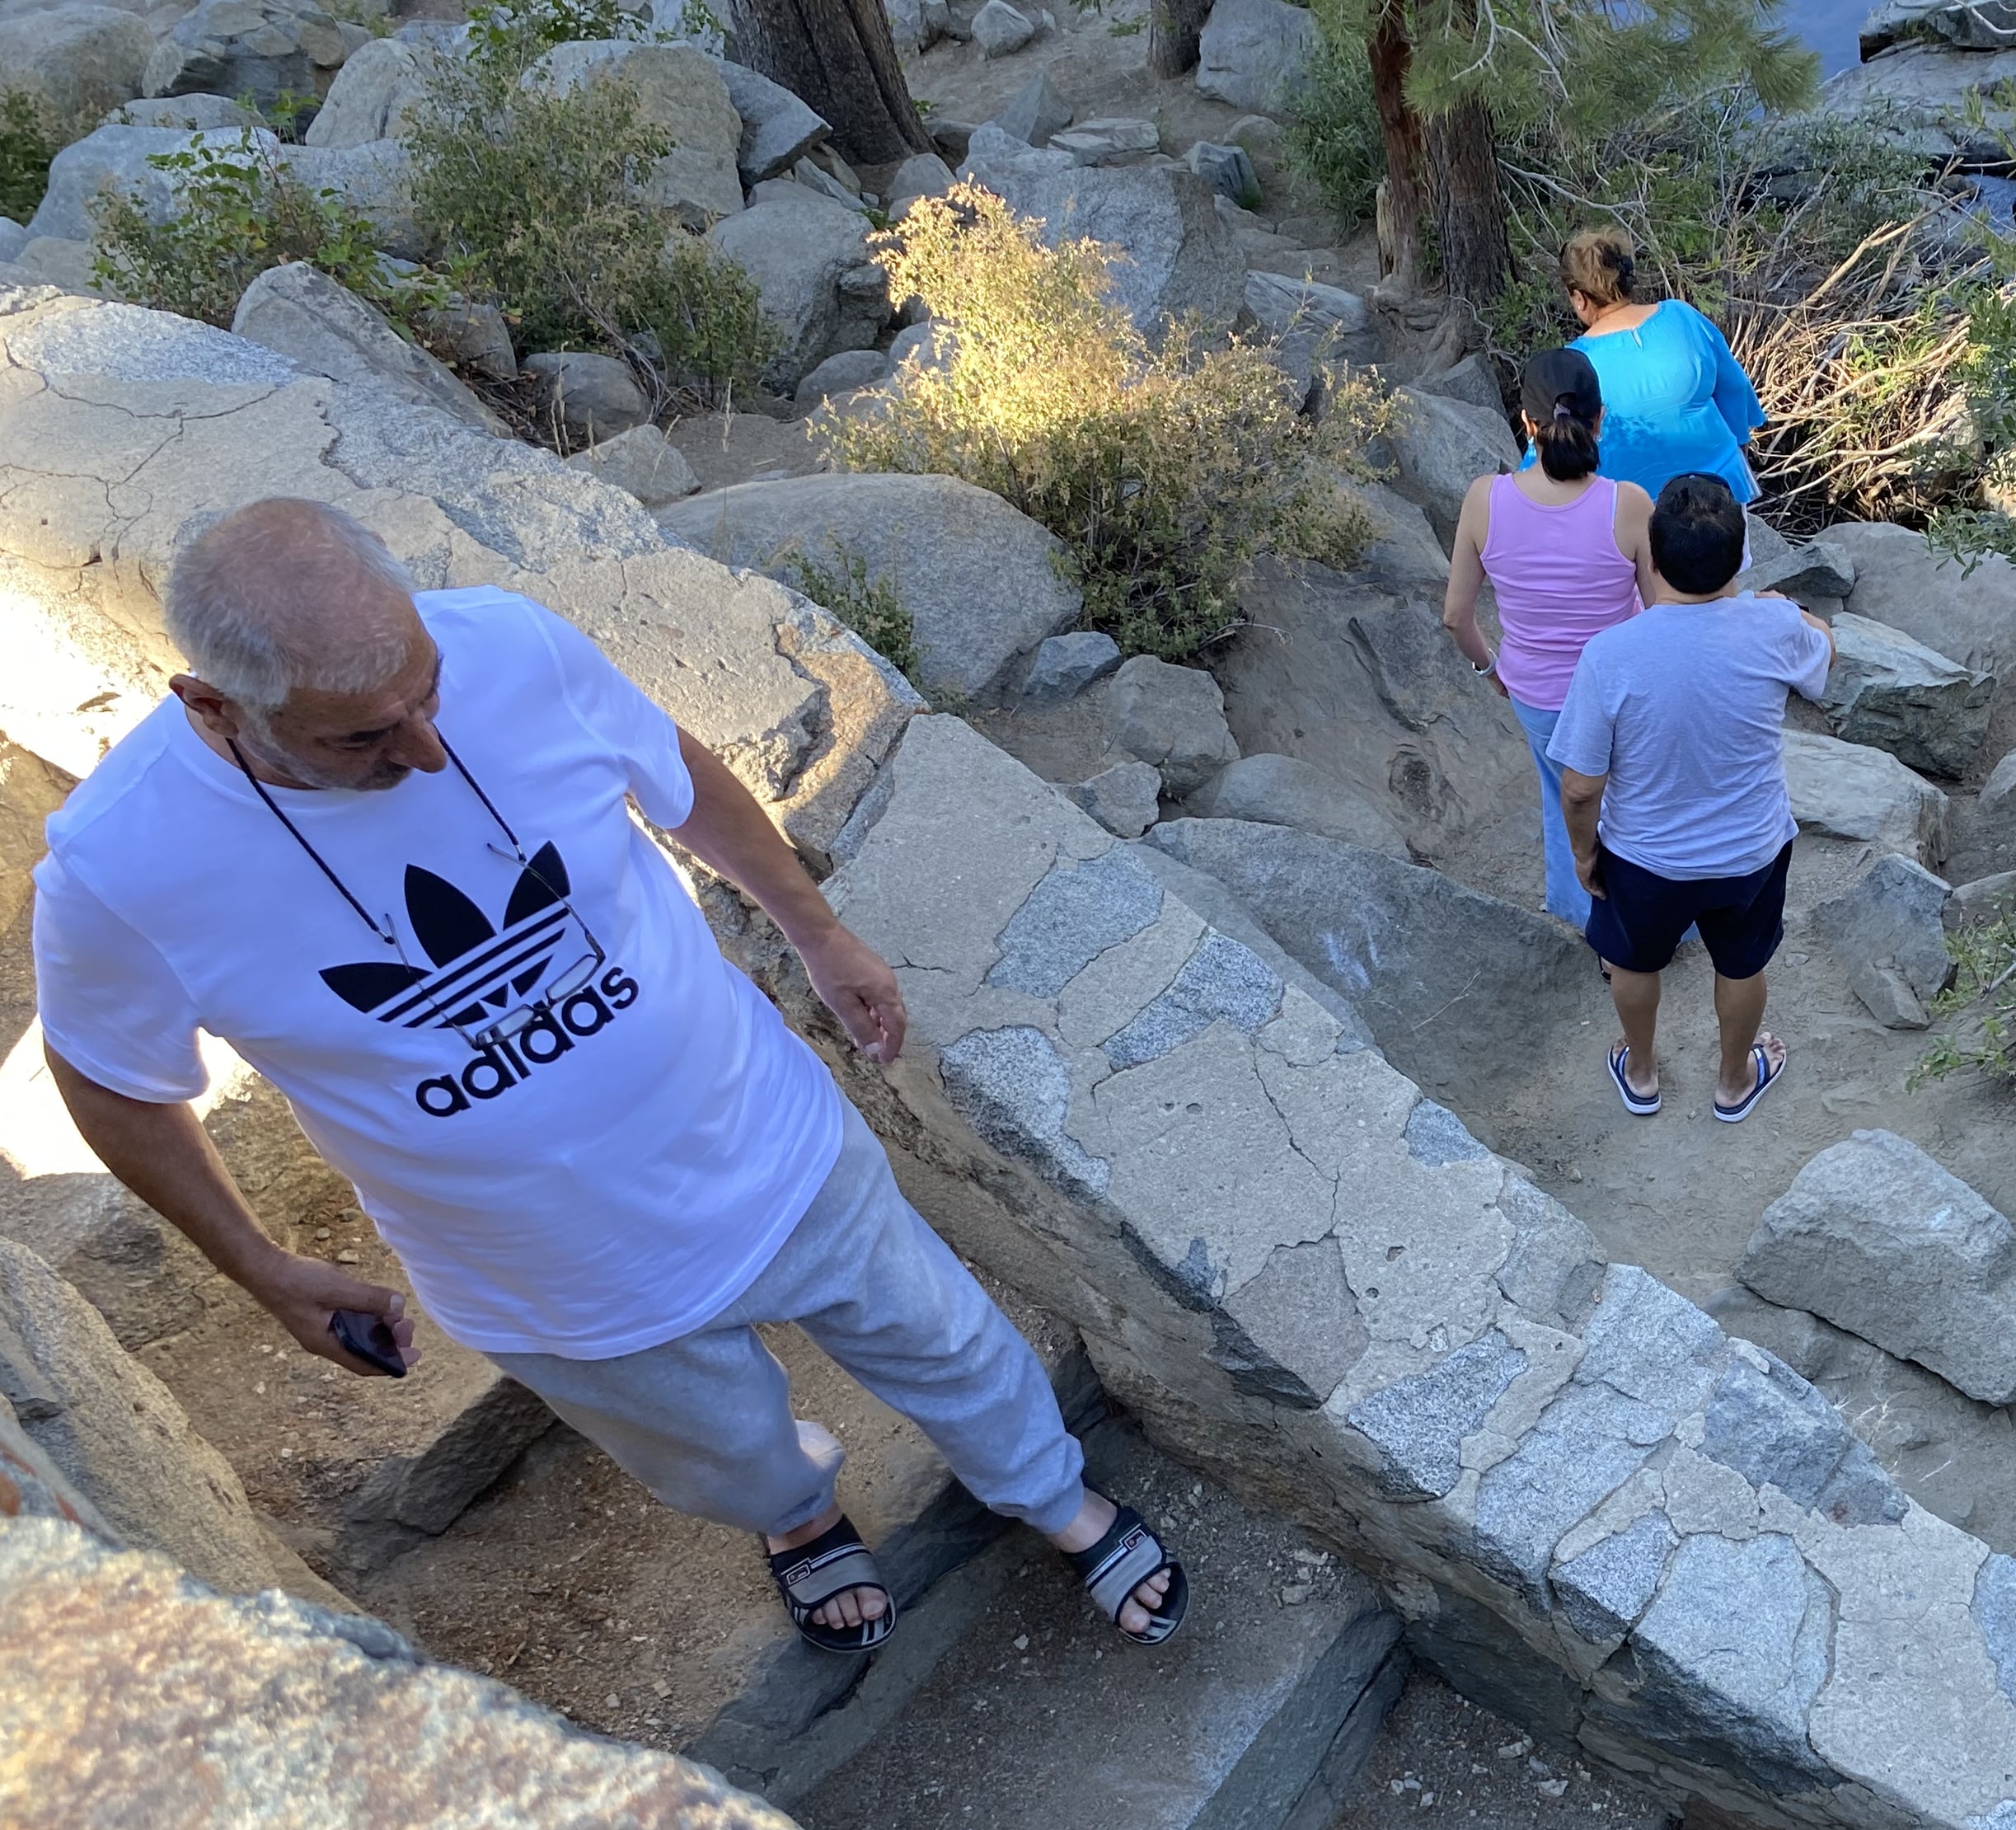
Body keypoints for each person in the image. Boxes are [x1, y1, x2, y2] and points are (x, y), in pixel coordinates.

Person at [30, 497, 1187, 1659]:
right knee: (721, 1452)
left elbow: (674, 773)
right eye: (362, 740)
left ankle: (1053, 1496)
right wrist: (261, 1267)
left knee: (948, 1341)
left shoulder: (507, 643)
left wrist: (819, 933)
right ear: (213, 706)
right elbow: (110, 1080)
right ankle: (794, 1514)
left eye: (428, 695)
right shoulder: (120, 869)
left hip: (766, 1140)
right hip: (558, 1282)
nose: (427, 750)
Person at [1553, 473, 1832, 1124]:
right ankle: (1734, 1083)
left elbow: (1581, 785)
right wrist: (1795, 611)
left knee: (1632, 960)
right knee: (1741, 965)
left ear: (1652, 560)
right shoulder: (1775, 626)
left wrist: (1584, 855)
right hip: (1750, 850)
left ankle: (1642, 1073)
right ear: (1740, 559)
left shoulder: (1610, 655)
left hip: (1645, 857)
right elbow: (1826, 652)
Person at [1443, 346, 1658, 926]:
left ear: (1526, 422)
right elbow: (1661, 614)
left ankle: (1584, 914)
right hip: (1619, 691)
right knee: (1632, 800)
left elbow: (1457, 616)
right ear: (1599, 419)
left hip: (1535, 692)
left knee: (1562, 795)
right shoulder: (1628, 504)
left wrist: (1491, 669)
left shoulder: (1484, 498)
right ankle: (1648, 919)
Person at [1556, 226, 1767, 508]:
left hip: (1628, 511)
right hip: (1720, 490)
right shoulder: (1682, 315)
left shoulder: (1571, 363)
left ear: (1580, 298)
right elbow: (1734, 387)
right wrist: (1738, 447)